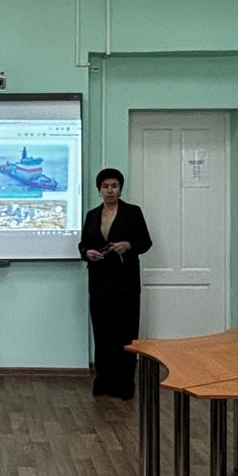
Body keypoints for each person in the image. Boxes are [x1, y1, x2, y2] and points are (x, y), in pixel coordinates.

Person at [78, 168, 153, 399]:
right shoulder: (92, 215)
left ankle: (124, 384)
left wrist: (129, 245)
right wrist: (87, 253)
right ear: (99, 190)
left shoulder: (133, 212)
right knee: (102, 334)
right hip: (99, 282)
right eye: (105, 186)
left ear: (120, 189)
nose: (110, 190)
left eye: (114, 186)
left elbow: (145, 242)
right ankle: (103, 382)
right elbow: (83, 245)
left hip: (125, 283)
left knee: (125, 334)